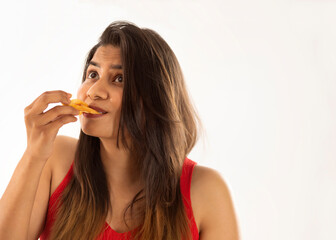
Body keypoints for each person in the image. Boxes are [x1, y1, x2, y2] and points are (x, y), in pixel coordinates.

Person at [0, 21, 240, 240]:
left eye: (119, 79)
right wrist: (33, 155)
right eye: (92, 74)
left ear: (155, 99)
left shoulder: (206, 191)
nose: (93, 91)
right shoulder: (55, 159)